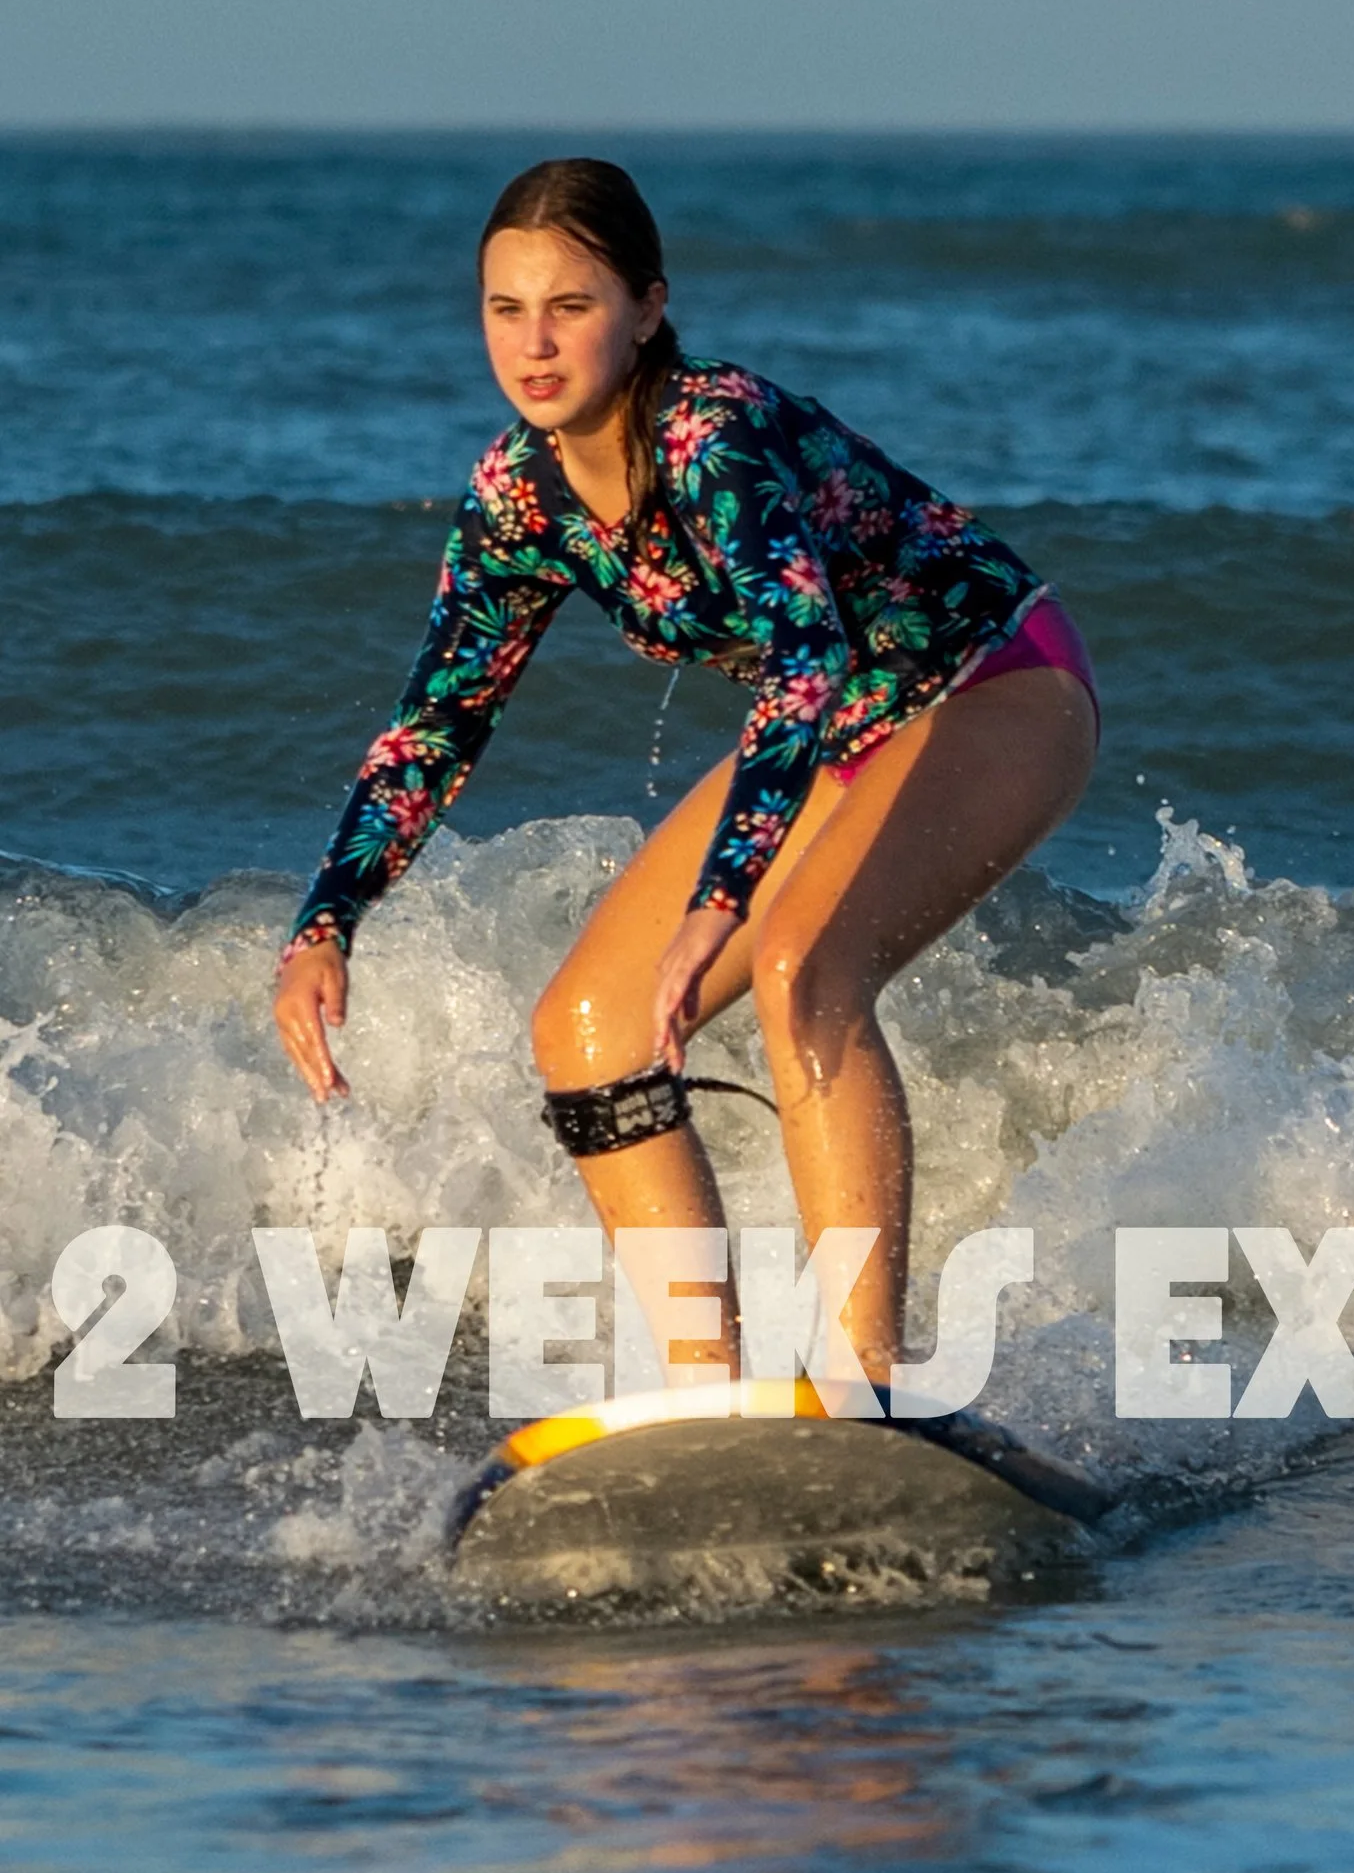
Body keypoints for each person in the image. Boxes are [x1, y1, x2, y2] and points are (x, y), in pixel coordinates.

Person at [271, 157, 1098, 1389]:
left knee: (796, 968)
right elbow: (441, 716)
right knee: (588, 1034)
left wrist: (719, 903)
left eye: (572, 305)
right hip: (841, 722)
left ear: (648, 308)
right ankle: (711, 1391)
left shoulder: (711, 432)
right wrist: (325, 923)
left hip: (994, 683)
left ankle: (871, 1383)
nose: (534, 344)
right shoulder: (516, 494)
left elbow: (808, 654)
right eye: (506, 309)